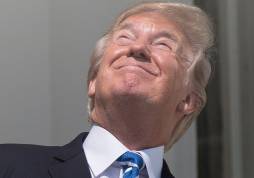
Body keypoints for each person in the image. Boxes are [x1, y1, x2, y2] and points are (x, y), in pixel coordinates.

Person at [0, 2, 214, 178]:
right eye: (124, 37)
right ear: (92, 81)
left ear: (188, 100)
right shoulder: (8, 166)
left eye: (163, 44)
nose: (138, 48)